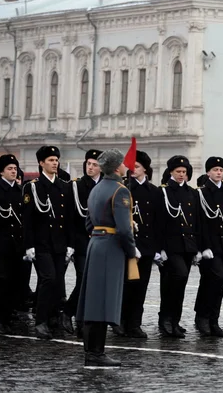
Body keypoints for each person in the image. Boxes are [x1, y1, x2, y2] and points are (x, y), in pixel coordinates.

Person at [76, 149, 138, 368]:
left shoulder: (96, 189)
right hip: (111, 247)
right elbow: (123, 229)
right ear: (116, 167)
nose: (126, 167)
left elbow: (88, 224)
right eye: (123, 163)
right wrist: (132, 251)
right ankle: (96, 353)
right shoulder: (120, 191)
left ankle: (92, 351)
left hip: (96, 244)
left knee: (94, 300)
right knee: (103, 301)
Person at [22, 146, 75, 340]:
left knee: (57, 282)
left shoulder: (64, 186)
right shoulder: (33, 187)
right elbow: (27, 220)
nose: (55, 163)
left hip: (60, 244)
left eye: (56, 160)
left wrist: (70, 244)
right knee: (48, 279)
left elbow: (69, 218)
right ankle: (41, 321)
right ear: (41, 163)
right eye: (51, 160)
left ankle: (53, 317)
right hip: (41, 243)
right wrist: (29, 246)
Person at [157, 155, 201, 338]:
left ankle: (175, 320)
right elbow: (157, 221)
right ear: (171, 172)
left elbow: (197, 221)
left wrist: (198, 247)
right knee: (172, 280)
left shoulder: (192, 193)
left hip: (188, 245)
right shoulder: (164, 192)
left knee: (181, 283)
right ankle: (165, 319)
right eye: (178, 172)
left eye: (184, 172)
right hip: (170, 245)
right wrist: (160, 248)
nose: (181, 175)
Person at [119, 150, 160, 338]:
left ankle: (135, 323)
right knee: (126, 285)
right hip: (128, 246)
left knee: (141, 286)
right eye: (130, 167)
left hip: (147, 246)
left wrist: (158, 248)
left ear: (145, 169)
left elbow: (159, 222)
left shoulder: (154, 191)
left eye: (136, 166)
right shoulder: (124, 189)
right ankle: (120, 321)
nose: (132, 170)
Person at [195, 156, 223, 338]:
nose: (218, 173)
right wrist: (203, 246)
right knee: (211, 280)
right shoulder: (202, 193)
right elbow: (199, 222)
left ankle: (214, 320)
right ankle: (203, 318)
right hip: (209, 246)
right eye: (215, 170)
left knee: (219, 284)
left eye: (221, 170)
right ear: (208, 173)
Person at [64, 149, 103, 337]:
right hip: (81, 241)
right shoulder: (77, 187)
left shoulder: (105, 185)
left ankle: (81, 321)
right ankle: (69, 312)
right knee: (83, 279)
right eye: (88, 163)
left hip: (101, 241)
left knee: (93, 283)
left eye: (95, 164)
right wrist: (70, 243)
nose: (90, 167)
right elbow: (71, 218)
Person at [0, 154, 23, 334]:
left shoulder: (20, 191)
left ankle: (8, 315)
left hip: (18, 244)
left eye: (15, 168)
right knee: (3, 280)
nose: (13, 171)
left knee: (16, 282)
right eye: (10, 168)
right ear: (1, 172)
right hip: (1, 244)